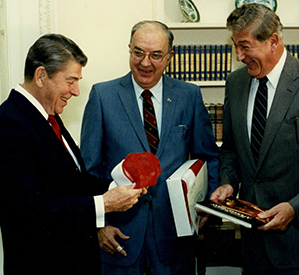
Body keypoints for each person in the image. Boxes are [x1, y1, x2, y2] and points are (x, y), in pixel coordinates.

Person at [0, 33, 145, 275]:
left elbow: (73, 182)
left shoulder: (47, 118)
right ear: (41, 75)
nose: (76, 91)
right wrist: (104, 205)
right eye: (70, 80)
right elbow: (30, 210)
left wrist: (116, 187)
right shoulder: (8, 126)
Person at [211, 4, 299, 275]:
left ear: (273, 40)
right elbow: (230, 150)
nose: (239, 56)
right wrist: (228, 182)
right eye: (235, 46)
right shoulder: (235, 83)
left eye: (245, 46)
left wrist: (294, 208)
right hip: (253, 245)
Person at [80, 20, 220, 274]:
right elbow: (89, 169)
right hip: (119, 237)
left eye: (156, 55)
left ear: (169, 57)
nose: (146, 63)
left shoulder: (189, 95)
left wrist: (205, 206)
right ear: (129, 50)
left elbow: (207, 156)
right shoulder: (102, 95)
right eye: (138, 53)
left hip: (174, 236)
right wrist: (99, 226)